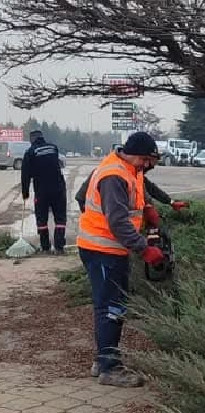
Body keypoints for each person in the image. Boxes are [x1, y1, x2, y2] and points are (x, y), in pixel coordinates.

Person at [77, 131, 165, 388]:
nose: (148, 167)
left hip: (110, 250)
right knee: (111, 308)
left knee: (110, 306)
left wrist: (148, 207)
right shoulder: (114, 174)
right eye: (147, 161)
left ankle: (103, 359)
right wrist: (144, 249)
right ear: (138, 155)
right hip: (102, 249)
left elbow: (136, 193)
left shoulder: (129, 169)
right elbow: (117, 221)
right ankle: (109, 367)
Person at [21, 130, 67, 254]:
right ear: (42, 137)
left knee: (42, 219)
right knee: (60, 219)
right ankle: (59, 247)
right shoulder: (53, 148)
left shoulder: (30, 152)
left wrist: (25, 193)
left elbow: (25, 175)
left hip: (42, 191)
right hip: (59, 189)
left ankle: (45, 247)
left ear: (32, 139)